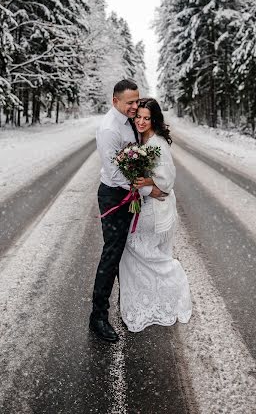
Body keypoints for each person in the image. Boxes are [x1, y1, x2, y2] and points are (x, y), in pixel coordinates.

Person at [90, 80, 166, 343]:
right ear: (115, 102)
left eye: (137, 100)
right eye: (130, 102)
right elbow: (115, 173)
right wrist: (149, 191)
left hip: (131, 193)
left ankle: (131, 304)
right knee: (112, 253)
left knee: (129, 249)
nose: (135, 106)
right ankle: (98, 317)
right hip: (114, 195)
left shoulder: (130, 120)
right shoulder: (109, 130)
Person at [119, 97, 192, 332]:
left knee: (135, 249)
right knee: (139, 254)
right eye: (138, 116)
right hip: (147, 204)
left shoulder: (157, 143)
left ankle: (174, 276)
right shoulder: (141, 139)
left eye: (146, 118)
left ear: (154, 120)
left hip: (157, 208)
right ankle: (151, 301)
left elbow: (166, 184)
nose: (140, 121)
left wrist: (148, 181)